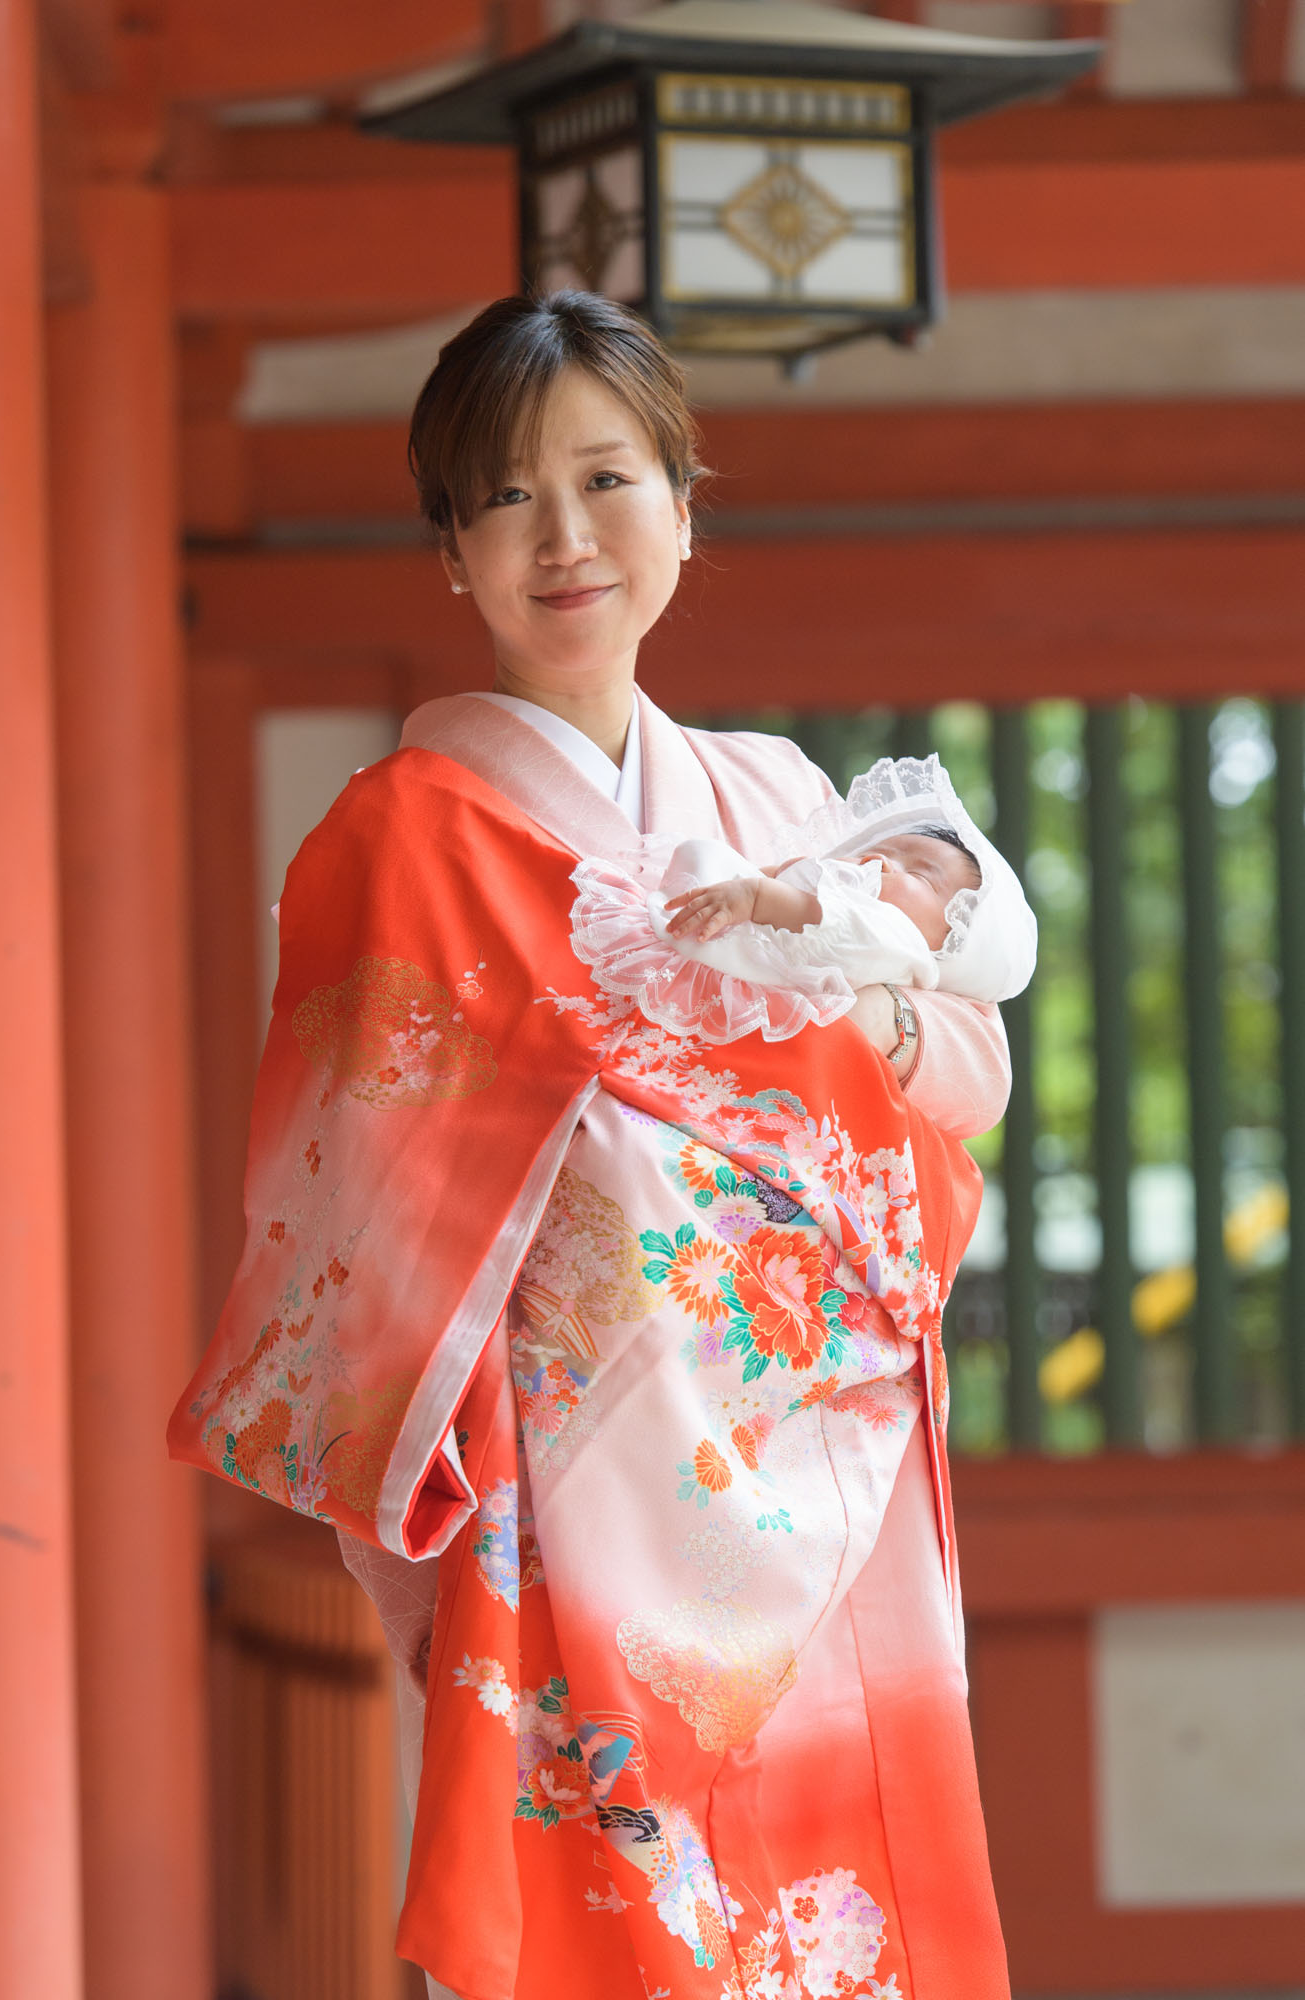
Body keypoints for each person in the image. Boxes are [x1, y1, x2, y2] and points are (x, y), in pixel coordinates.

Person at [169, 291, 1014, 2000]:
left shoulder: (786, 801)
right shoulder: (399, 839)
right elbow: (365, 1230)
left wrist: (843, 998)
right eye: (501, 497)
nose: (562, 538)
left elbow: (965, 1081)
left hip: (827, 1508)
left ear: (684, 513)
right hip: (577, 1517)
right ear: (452, 556)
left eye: (607, 479)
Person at [568, 751, 1038, 1049]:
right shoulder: (847, 888)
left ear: (948, 941)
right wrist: (764, 879)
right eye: (892, 849)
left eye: (920, 875)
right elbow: (793, 888)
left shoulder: (899, 944)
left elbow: (830, 922)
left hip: (749, 979)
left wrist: (755, 895)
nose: (885, 861)